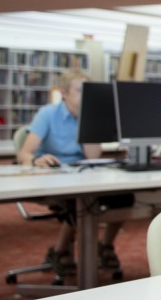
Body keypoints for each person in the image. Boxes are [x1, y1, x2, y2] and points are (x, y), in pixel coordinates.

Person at [17, 70, 128, 278]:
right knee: (79, 202)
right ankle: (59, 251)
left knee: (124, 197)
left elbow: (92, 157)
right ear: (64, 93)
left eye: (88, 91)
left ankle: (106, 246)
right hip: (52, 176)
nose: (85, 96)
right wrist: (34, 160)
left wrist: (90, 123)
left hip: (82, 174)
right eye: (79, 90)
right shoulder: (48, 114)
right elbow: (24, 152)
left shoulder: (91, 115)